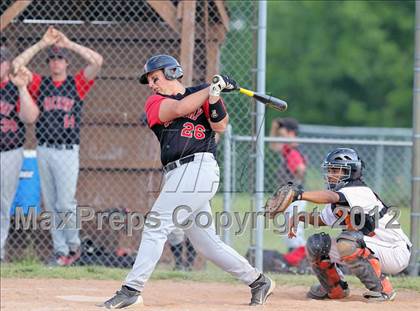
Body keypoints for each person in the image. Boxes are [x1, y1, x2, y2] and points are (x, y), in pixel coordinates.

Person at [100, 55, 275, 309]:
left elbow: (221, 125)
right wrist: (210, 88)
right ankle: (258, 281)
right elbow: (179, 109)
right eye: (149, 80)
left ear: (172, 72)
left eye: (155, 78)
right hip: (177, 174)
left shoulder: (201, 94)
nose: (152, 84)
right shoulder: (155, 102)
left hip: (199, 168)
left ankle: (131, 289)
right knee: (207, 244)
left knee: (156, 225)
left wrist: (214, 96)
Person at [12, 26, 103, 266]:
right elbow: (15, 66)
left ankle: (75, 247)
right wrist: (42, 43)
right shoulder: (40, 83)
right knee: (52, 205)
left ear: (66, 63)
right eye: (52, 59)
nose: (55, 62)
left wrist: (69, 43)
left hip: (66, 150)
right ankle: (61, 252)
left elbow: (98, 61)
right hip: (44, 149)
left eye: (59, 58)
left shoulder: (77, 84)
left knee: (65, 203)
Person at [287, 147, 411, 301]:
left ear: (351, 172)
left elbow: (330, 197)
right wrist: (298, 217)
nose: (330, 175)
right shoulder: (340, 196)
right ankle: (335, 289)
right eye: (329, 170)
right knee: (317, 244)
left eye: (336, 170)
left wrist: (299, 195)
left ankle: (382, 289)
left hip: (394, 251)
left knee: (347, 241)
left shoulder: (358, 190)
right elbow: (322, 219)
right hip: (371, 248)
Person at [0, 46, 39, 262]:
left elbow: (30, 117)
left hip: (9, 153)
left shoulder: (15, 87)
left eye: (1, 61)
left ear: (8, 64)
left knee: (3, 204)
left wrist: (22, 88)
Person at [270, 117, 307, 268]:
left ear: (290, 132)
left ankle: (300, 260)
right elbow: (273, 146)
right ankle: (296, 260)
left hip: (295, 195)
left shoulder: (293, 149)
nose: (279, 134)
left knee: (293, 229)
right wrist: (274, 127)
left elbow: (300, 169)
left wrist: (294, 183)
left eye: (282, 131)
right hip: (292, 195)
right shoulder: (288, 148)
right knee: (289, 228)